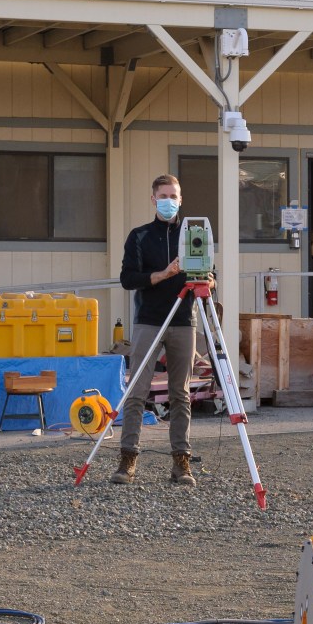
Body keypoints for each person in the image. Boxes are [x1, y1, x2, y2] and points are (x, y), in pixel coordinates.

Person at [114, 174, 197, 486]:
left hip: (183, 320)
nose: (169, 201)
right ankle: (127, 459)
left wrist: (208, 282)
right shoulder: (140, 236)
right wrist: (161, 275)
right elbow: (127, 278)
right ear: (153, 199)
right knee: (137, 390)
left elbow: (210, 270)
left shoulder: (193, 234)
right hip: (149, 319)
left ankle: (181, 463)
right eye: (163, 195)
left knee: (181, 394)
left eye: (173, 195)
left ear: (181, 197)